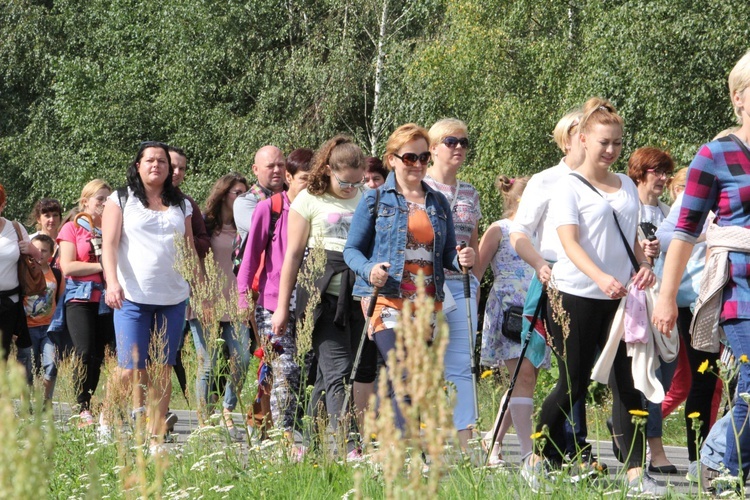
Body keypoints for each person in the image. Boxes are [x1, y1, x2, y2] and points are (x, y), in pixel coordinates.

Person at [526, 98, 660, 496]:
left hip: (622, 298)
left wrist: (644, 266)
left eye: (618, 143)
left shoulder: (626, 188)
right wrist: (601, 277)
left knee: (627, 381)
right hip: (576, 294)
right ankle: (535, 457)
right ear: (582, 139)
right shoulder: (567, 187)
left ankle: (637, 473)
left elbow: (632, 238)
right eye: (604, 142)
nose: (611, 150)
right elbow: (569, 242)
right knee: (574, 381)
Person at [653, 50, 750, 489]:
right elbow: (685, 231)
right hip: (738, 289)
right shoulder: (716, 155)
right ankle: (726, 474)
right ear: (739, 99)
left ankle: (715, 453)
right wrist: (667, 297)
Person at [344, 123, 475, 432]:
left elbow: (446, 257)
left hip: (427, 305)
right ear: (392, 159)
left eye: (423, 157)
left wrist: (462, 258)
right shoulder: (375, 200)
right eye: (409, 158)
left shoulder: (438, 202)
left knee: (409, 381)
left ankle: (392, 451)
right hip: (387, 300)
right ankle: (411, 453)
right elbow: (352, 250)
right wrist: (369, 270)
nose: (418, 164)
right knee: (405, 372)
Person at [271, 136, 372, 458]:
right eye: (344, 181)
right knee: (339, 370)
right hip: (321, 300)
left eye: (357, 182)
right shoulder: (307, 200)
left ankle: (306, 440)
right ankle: (351, 446)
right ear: (328, 170)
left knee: (329, 377)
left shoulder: (368, 198)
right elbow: (293, 255)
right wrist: (281, 308)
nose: (350, 188)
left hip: (359, 297)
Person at [508, 109, 596, 466]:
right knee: (566, 366)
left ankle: (567, 445)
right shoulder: (546, 180)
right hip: (556, 278)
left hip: (598, 283)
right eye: (582, 132)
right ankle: (564, 445)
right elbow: (519, 233)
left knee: (583, 367)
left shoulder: (604, 181)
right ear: (567, 138)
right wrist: (540, 265)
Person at [101, 141, 195, 455]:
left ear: (170, 169)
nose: (156, 165)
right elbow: (110, 246)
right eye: (150, 160)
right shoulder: (121, 199)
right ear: (138, 165)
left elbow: (190, 250)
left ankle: (156, 439)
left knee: (162, 368)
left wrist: (200, 291)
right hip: (132, 295)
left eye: (162, 162)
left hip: (173, 295)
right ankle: (107, 414)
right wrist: (112, 283)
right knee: (130, 368)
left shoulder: (182, 204)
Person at [239, 148, 312, 452]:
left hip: (309, 302)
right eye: (305, 179)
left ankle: (270, 421)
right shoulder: (269, 208)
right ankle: (283, 436)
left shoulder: (320, 208)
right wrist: (243, 299)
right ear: (289, 178)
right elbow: (250, 256)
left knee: (295, 369)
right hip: (272, 303)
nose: (309, 185)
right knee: (283, 369)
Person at [475, 175, 545, 466]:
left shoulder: (542, 233)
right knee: (523, 377)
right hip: (508, 312)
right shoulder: (500, 230)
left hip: (536, 309)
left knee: (523, 380)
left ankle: (493, 439)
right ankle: (529, 453)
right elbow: (476, 273)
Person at [423, 118, 481, 451]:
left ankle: (466, 446)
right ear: (432, 149)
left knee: (460, 365)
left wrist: (473, 264)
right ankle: (426, 440)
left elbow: (472, 237)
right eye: (450, 141)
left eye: (463, 141)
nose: (458, 147)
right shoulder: (421, 189)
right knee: (426, 364)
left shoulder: (470, 191)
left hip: (462, 286)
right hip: (427, 287)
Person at [627, 147, 677, 474]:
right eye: (656, 171)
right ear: (640, 172)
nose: (662, 178)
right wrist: (641, 254)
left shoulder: (668, 211)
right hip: (630, 301)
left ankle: (626, 423)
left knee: (667, 372)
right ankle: (654, 451)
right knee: (649, 375)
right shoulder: (625, 205)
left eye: (665, 172)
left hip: (664, 300)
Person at [189, 173, 250, 435]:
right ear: (224, 194)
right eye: (238, 193)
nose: (242, 198)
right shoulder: (204, 224)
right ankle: (205, 420)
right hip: (207, 300)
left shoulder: (246, 225)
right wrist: (201, 297)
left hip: (237, 301)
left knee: (243, 358)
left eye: (246, 194)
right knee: (209, 364)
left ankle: (227, 409)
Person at [57, 179, 115, 427]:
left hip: (108, 297)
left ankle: (94, 401)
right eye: (99, 199)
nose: (103, 203)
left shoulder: (114, 228)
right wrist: (103, 265)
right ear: (85, 202)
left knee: (102, 355)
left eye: (107, 199)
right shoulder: (72, 228)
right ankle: (81, 406)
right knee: (84, 351)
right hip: (80, 297)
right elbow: (68, 266)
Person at [0, 183, 41, 362]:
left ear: (3, 205)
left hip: (9, 304)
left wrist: (32, 250)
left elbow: (40, 259)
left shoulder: (15, 228)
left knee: (2, 356)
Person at [20, 234, 63, 398]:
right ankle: (26, 404)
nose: (40, 253)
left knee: (51, 364)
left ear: (51, 254)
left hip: (49, 329)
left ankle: (46, 401)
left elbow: (59, 300)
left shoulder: (56, 274)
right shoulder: (24, 272)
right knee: (27, 367)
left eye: (44, 251)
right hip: (28, 327)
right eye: (36, 250)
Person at [234, 145, 287, 242]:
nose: (277, 170)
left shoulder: (297, 196)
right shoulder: (246, 201)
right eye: (270, 166)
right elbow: (267, 232)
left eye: (280, 165)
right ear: (255, 170)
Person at [27, 198, 63, 266]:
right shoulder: (29, 241)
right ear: (38, 219)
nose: (52, 220)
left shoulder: (66, 241)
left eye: (55, 215)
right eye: (47, 216)